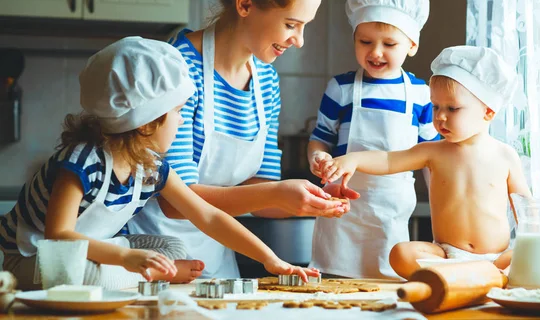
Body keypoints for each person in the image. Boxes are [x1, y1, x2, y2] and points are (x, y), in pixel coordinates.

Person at [0, 37, 319, 290]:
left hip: (93, 250)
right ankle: (153, 276)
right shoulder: (83, 161)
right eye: (178, 111)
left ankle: (152, 273)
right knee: (90, 275)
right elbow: (59, 237)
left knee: (170, 248)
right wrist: (125, 257)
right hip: (31, 257)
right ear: (146, 123)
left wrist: (271, 260)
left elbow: (208, 216)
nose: (182, 121)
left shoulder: (151, 166)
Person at [126, 0, 346, 279]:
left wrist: (313, 200)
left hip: (216, 266)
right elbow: (176, 201)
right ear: (245, 4)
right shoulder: (179, 69)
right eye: (291, 24)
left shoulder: (266, 81)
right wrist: (277, 193)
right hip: (153, 262)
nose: (299, 40)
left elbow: (259, 195)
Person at [318, 45, 532, 279]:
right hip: (447, 255)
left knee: (527, 256)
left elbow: (526, 207)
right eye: (436, 106)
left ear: (488, 112)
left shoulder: (505, 155)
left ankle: (473, 277)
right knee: (401, 253)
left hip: (497, 256)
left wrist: (533, 245)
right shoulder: (433, 152)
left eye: (452, 108)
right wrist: (354, 159)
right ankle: (474, 278)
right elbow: (390, 160)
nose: (440, 116)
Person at [307, 0, 440, 279]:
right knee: (336, 290)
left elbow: (432, 160)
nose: (376, 52)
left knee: (387, 288)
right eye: (365, 42)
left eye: (389, 44)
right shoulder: (340, 88)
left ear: (412, 45)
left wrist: (440, 211)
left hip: (391, 212)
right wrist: (318, 160)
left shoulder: (421, 94)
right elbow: (320, 141)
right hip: (342, 211)